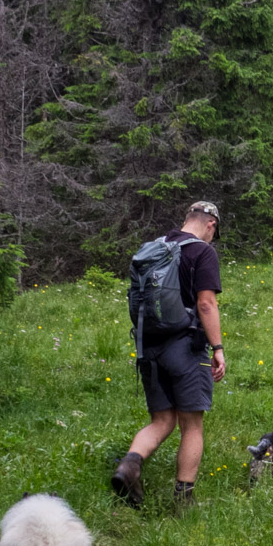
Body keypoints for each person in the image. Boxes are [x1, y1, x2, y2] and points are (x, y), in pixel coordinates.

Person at [111, 202, 226, 510]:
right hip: (186, 348)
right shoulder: (202, 252)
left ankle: (128, 467)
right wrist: (217, 348)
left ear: (186, 218)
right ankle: (183, 500)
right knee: (191, 425)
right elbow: (206, 304)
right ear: (211, 224)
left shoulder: (154, 248)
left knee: (162, 420)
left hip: (148, 346)